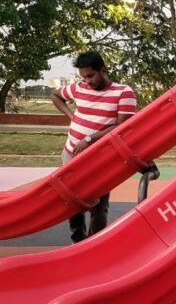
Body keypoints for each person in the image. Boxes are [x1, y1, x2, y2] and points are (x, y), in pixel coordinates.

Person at [51, 51, 136, 243]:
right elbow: (56, 95)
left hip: (100, 159)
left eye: (91, 76)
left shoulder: (123, 92)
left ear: (103, 70)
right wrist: (71, 116)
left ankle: (94, 244)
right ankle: (77, 241)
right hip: (71, 152)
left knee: (98, 205)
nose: (87, 81)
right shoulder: (80, 88)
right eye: (83, 77)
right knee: (71, 202)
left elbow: (123, 127)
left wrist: (90, 138)